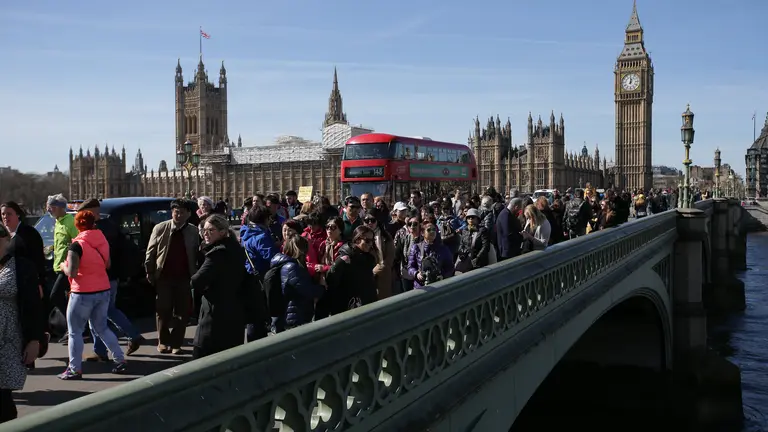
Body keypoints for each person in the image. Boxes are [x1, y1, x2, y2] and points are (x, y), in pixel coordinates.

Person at [58, 211, 126, 379]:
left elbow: (72, 272)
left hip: (82, 293)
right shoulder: (101, 239)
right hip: (103, 290)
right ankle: (120, 360)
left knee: (75, 332)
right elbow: (107, 264)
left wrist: (62, 266)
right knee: (101, 327)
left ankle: (74, 369)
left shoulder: (76, 245)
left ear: (77, 225)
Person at [76, 199, 143, 362]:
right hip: (112, 277)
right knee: (106, 312)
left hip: (101, 278)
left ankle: (110, 346)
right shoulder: (110, 226)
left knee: (98, 315)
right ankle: (104, 348)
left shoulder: (96, 230)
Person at [191, 214, 260, 359]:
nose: (206, 234)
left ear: (222, 232)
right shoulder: (237, 249)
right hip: (235, 312)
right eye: (204, 230)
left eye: (211, 230)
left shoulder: (217, 254)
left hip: (215, 315)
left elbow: (196, 281)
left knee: (202, 360)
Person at [0, 224, 44, 423]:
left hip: (10, 338)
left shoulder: (21, 266)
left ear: (7, 241)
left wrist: (35, 339)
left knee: (3, 394)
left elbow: (33, 305)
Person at [145, 199, 199, 354]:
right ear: (171, 212)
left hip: (184, 277)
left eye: (182, 212)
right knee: (163, 310)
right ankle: (163, 341)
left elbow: (196, 253)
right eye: (176, 212)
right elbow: (151, 252)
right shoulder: (161, 228)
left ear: (188, 214)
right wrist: (149, 272)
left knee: (183, 312)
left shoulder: (193, 231)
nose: (179, 215)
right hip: (164, 277)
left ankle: (176, 343)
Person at [47, 194, 79, 340]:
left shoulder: (70, 221)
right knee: (67, 299)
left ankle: (71, 326)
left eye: (52, 207)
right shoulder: (58, 222)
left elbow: (77, 242)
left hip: (66, 267)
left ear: (60, 208)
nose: (49, 209)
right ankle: (74, 327)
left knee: (55, 296)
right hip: (57, 266)